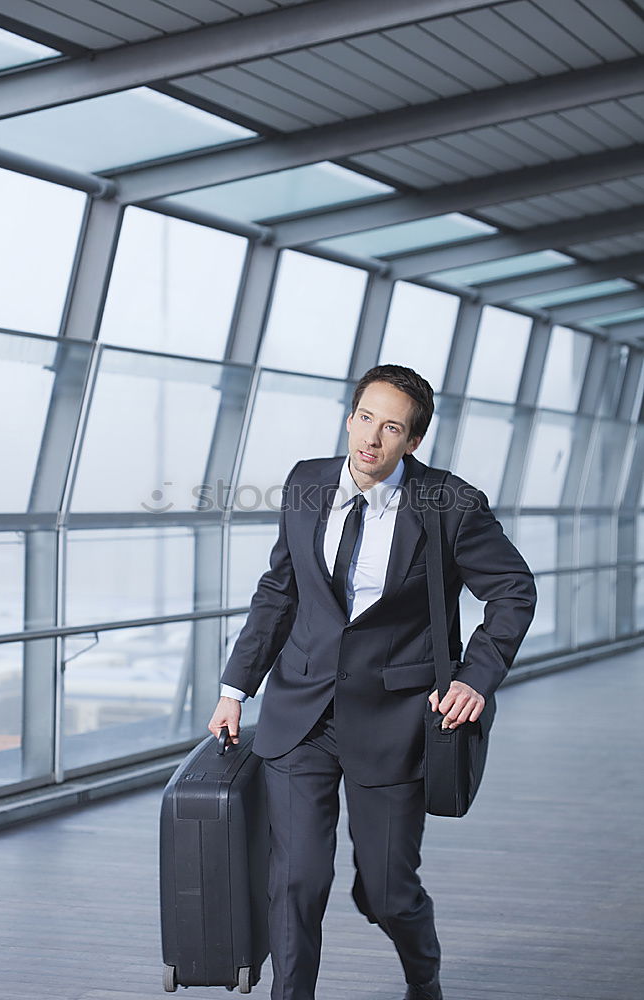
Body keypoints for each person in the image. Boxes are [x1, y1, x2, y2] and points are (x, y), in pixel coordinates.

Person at [208, 364, 536, 1000]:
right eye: (365, 418)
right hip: (301, 712)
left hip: (395, 720)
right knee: (297, 879)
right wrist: (235, 688)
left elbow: (513, 591)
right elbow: (280, 590)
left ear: (413, 441)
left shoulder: (450, 504)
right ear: (349, 416)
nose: (371, 439)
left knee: (387, 891)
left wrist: (476, 677)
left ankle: (424, 975)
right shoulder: (306, 483)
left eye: (392, 428)